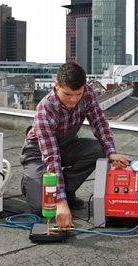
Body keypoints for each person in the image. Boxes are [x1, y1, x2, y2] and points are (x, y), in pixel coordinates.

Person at [20, 62, 129, 229]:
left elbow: (99, 123)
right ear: (57, 86)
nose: (73, 100)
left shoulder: (87, 94)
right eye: (68, 94)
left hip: (66, 146)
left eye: (78, 94)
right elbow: (51, 157)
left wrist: (111, 152)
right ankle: (30, 182)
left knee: (99, 150)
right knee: (43, 207)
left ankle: (66, 190)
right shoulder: (45, 109)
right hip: (38, 153)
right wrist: (60, 203)